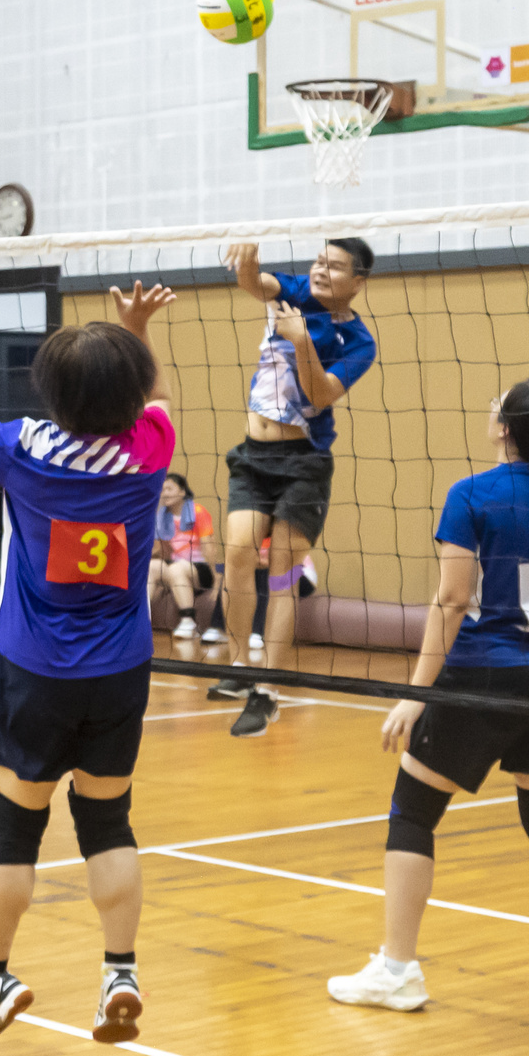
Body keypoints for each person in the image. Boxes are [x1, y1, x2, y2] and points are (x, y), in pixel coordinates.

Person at [0, 270, 176, 1047]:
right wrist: (135, 331)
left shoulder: (21, 448)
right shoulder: (150, 451)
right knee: (107, 820)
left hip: (34, 671)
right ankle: (119, 972)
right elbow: (154, 404)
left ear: (50, 394)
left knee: (12, 831)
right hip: (119, 670)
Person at [328, 378, 529, 1016]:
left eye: (496, 403)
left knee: (413, 810)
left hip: (486, 674)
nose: (488, 408)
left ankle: (397, 968)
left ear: (504, 427)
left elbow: (452, 601)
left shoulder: (473, 494)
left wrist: (414, 694)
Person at [215, 238, 378, 736]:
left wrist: (302, 340)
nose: (321, 270)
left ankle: (270, 688)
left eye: (335, 266)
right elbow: (254, 284)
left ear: (358, 281)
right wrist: (248, 266)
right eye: (319, 260)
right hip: (253, 454)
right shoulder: (294, 290)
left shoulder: (360, 343)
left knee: (283, 569)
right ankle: (241, 668)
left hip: (304, 462)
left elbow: (322, 393)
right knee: (239, 552)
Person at [154, 472, 224, 644]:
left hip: (200, 569)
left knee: (176, 568)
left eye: (169, 488)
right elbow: (162, 552)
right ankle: (140, 618)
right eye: (162, 490)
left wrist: (216, 579)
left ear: (183, 492)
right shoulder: (161, 516)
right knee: (152, 566)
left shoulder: (198, 512)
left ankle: (188, 621)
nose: (165, 493)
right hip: (175, 566)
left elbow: (209, 547)